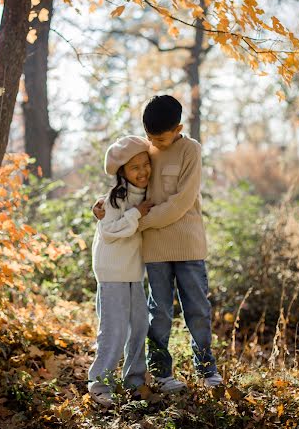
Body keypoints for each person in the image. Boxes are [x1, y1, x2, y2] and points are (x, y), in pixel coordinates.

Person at [94, 95, 222, 392]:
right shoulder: (146, 149)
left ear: (178, 128)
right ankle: (162, 373)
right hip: (154, 249)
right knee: (160, 312)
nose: (154, 142)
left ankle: (206, 370)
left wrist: (139, 222)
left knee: (198, 310)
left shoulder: (191, 150)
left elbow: (181, 202)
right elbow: (125, 186)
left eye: (160, 138)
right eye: (149, 136)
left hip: (188, 245)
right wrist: (101, 206)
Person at [88, 135, 153, 407]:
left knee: (139, 325)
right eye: (134, 167)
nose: (142, 172)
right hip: (112, 269)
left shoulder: (149, 192)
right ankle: (99, 383)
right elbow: (109, 231)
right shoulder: (115, 198)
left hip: (133, 271)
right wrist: (136, 213)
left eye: (145, 164)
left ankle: (135, 381)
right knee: (114, 329)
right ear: (123, 172)